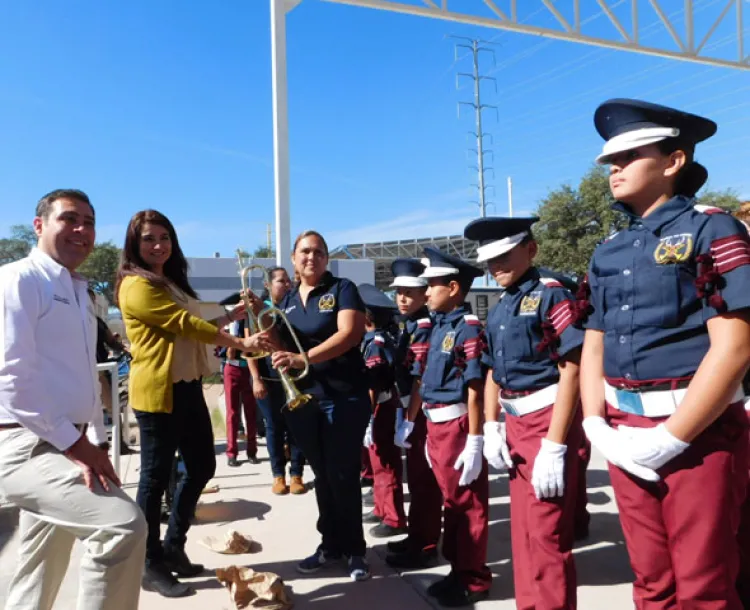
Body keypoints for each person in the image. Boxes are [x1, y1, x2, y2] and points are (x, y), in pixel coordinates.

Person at [579, 99, 750, 609]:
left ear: (673, 161)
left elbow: (736, 345)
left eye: (629, 156)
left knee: (704, 586)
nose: (615, 169)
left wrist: (672, 438)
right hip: (624, 431)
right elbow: (595, 340)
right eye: (611, 161)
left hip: (697, 432)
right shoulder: (608, 248)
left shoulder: (713, 228)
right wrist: (594, 423)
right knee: (652, 582)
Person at [0, 189, 147, 610]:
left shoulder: (81, 293)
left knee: (40, 563)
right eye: (69, 218)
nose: (82, 229)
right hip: (25, 444)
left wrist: (95, 439)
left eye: (89, 221)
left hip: (66, 441)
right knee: (121, 528)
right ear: (40, 224)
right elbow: (11, 377)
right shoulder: (19, 279)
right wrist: (76, 444)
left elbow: (83, 375)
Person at [116, 209, 269, 598]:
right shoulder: (136, 285)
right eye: (149, 238)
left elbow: (195, 316)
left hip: (186, 387)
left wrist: (232, 313)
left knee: (201, 465)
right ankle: (149, 562)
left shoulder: (169, 281)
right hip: (158, 392)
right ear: (135, 244)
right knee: (153, 480)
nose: (158, 245)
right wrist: (240, 342)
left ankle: (173, 547)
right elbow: (184, 325)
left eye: (164, 237)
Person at [465, 216, 584, 610]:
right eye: (489, 261)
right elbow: (493, 371)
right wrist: (492, 425)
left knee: (548, 535)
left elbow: (574, 367)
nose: (495, 267)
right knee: (525, 534)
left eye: (504, 256)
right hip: (515, 424)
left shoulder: (553, 295)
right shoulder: (501, 307)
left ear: (530, 249)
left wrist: (554, 443)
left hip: (548, 419)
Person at [270, 230, 371, 581]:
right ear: (294, 259)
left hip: (344, 396)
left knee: (342, 474)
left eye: (318, 252)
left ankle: (355, 550)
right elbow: (277, 343)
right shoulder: (285, 301)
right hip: (306, 400)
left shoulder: (342, 289)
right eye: (304, 252)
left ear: (326, 258)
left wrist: (303, 358)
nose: (310, 257)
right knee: (322, 476)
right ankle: (330, 545)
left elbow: (350, 334)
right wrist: (259, 319)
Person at [395, 247, 491, 607]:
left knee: (467, 504)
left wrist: (477, 438)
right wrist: (411, 422)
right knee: (451, 502)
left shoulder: (467, 328)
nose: (427, 290)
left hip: (457, 424)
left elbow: (475, 386)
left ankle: (474, 578)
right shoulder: (437, 327)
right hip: (436, 425)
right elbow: (421, 379)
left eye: (432, 284)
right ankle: (458, 570)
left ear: (453, 288)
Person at [387, 258, 442, 569]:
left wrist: (408, 418)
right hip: (410, 406)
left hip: (419, 410)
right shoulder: (409, 325)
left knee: (424, 480)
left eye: (410, 292)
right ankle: (417, 535)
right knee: (417, 479)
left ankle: (426, 544)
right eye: (399, 293)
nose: (403, 298)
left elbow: (420, 377)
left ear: (425, 294)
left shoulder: (422, 326)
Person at [247, 266, 306, 495]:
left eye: (288, 280)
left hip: (292, 375)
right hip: (269, 378)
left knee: (296, 425)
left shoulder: (293, 307)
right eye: (281, 281)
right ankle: (278, 475)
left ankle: (297, 474)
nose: (288, 284)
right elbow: (249, 348)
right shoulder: (255, 312)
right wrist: (255, 379)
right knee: (273, 427)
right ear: (268, 285)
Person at [358, 283, 408, 538]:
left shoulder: (374, 342)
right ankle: (381, 507)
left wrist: (367, 419)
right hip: (381, 406)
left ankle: (393, 517)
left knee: (386, 463)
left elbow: (373, 384)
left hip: (380, 406)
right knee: (378, 463)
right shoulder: (377, 338)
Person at [89, 287, 133, 454]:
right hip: (84, 372)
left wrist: (123, 347)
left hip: (103, 370)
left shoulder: (98, 321)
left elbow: (111, 341)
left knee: (113, 408)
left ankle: (119, 445)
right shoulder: (71, 320)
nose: (90, 303)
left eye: (91, 300)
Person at [223, 315, 259, 467]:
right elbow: (225, 352)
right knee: (232, 412)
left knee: (251, 412)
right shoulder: (229, 324)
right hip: (232, 368)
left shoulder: (250, 323)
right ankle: (231, 453)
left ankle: (252, 451)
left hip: (248, 369)